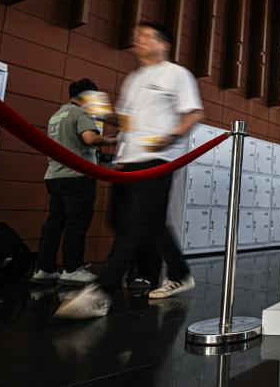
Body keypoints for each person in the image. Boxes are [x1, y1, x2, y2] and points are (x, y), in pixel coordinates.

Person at [56, 21, 205, 319]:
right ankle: (180, 272)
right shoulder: (134, 78)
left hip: (157, 158)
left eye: (146, 36)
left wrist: (172, 136)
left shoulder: (176, 74)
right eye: (137, 35)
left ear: (164, 44)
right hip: (127, 160)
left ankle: (102, 291)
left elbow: (195, 112)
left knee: (137, 223)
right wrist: (103, 114)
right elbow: (126, 121)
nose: (139, 39)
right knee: (127, 221)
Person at [32, 78, 116, 286]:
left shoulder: (56, 116)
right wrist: (112, 140)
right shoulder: (80, 113)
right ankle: (72, 269)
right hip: (77, 177)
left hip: (54, 176)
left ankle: (45, 269)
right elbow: (90, 139)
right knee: (76, 223)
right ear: (86, 96)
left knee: (54, 223)